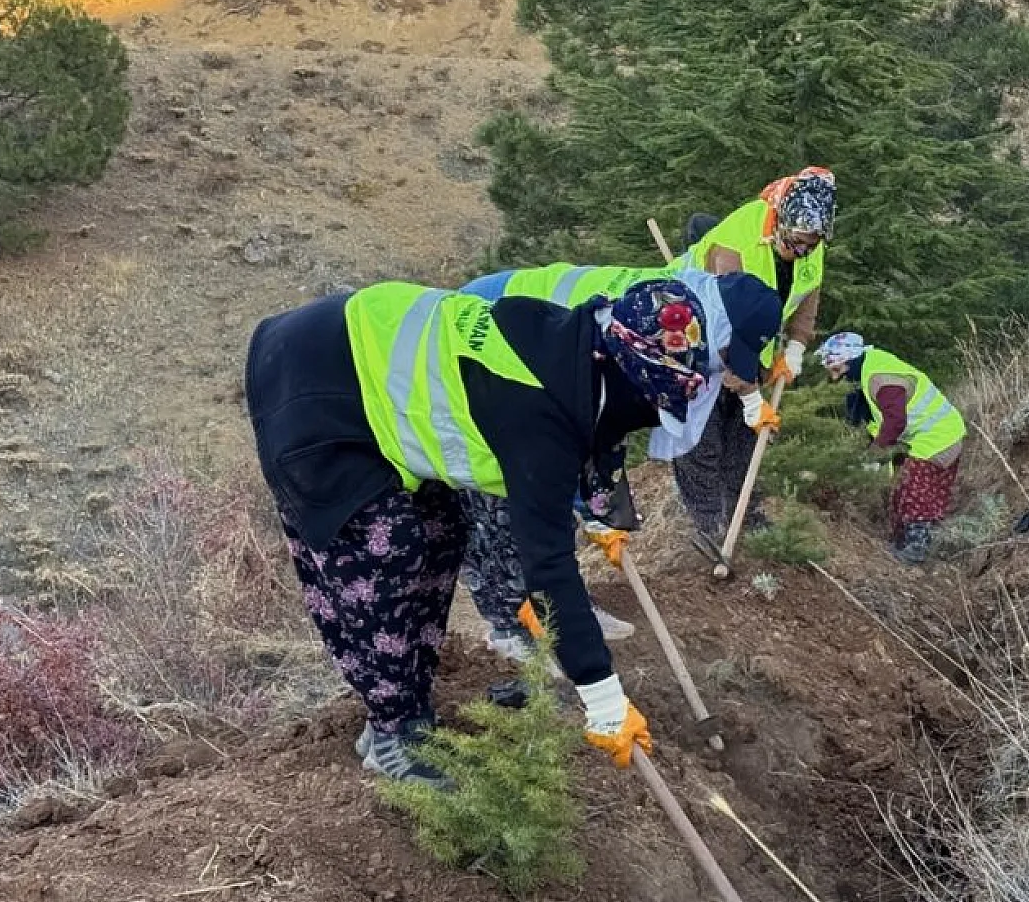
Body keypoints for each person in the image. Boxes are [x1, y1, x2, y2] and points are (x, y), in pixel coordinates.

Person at [244, 276, 711, 785]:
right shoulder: (538, 410)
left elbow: (597, 430)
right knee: (385, 555)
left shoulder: (579, 345)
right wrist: (603, 699)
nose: (650, 413)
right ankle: (391, 734)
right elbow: (549, 565)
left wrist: (601, 510)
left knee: (442, 533)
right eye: (650, 395)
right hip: (313, 386)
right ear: (618, 364)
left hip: (362, 359)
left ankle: (410, 713)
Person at [452, 262, 783, 657]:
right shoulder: (651, 322)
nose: (725, 363)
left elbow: (601, 428)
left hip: (544, 354)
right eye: (729, 351)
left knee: (549, 504)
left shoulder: (683, 318)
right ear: (720, 327)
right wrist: (592, 505)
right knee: (501, 496)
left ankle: (562, 610)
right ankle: (511, 629)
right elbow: (574, 429)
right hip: (490, 333)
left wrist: (750, 400)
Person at [675, 168, 836, 553]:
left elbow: (807, 292)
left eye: (810, 245)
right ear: (780, 220)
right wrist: (750, 397)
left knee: (744, 437)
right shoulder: (735, 244)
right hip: (696, 339)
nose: (802, 251)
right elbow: (726, 332)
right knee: (702, 434)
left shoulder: (812, 242)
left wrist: (795, 347)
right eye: (797, 243)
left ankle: (744, 515)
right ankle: (706, 522)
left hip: (750, 343)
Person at [814, 331, 966, 565]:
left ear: (850, 361)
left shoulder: (881, 378)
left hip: (939, 436)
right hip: (922, 437)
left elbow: (895, 421)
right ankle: (903, 542)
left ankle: (917, 547)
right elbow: (880, 422)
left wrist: (876, 455)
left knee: (915, 488)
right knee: (900, 490)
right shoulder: (866, 371)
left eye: (836, 370)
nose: (834, 379)